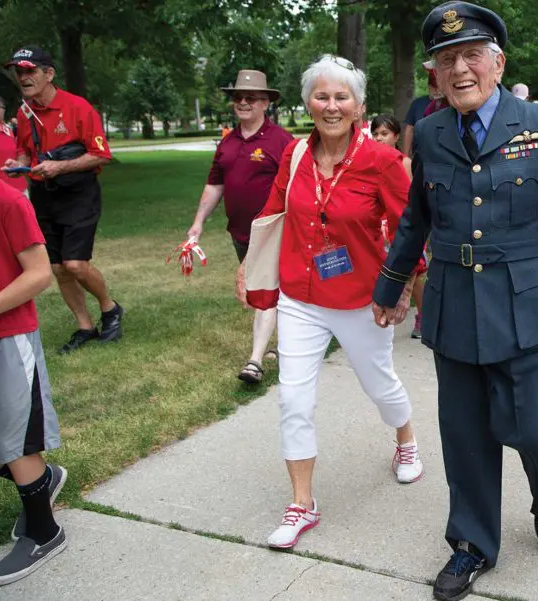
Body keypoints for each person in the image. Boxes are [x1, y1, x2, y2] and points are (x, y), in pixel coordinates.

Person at [371, 4, 538, 599]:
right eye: (446, 59)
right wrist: (390, 285)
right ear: (434, 73)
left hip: (528, 307)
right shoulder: (430, 133)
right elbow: (416, 220)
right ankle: (472, 543)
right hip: (456, 308)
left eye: (471, 56)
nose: (460, 69)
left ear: (498, 62)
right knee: (464, 436)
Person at [235, 54, 425, 550]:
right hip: (301, 296)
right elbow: (273, 211)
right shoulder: (296, 156)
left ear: (359, 106)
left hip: (362, 299)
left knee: (380, 385)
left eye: (342, 97)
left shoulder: (382, 161)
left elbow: (410, 232)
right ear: (307, 103)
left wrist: (402, 288)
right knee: (293, 398)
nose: (331, 105)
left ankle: (405, 439)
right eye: (322, 96)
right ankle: (302, 503)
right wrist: (250, 264)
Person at [2, 46, 123, 354]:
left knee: (76, 264)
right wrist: (17, 165)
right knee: (57, 268)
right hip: (44, 195)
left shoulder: (78, 107)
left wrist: (60, 166)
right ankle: (84, 326)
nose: (24, 78)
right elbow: (23, 151)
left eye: (30, 71)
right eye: (19, 72)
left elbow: (101, 155)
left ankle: (110, 309)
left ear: (49, 73)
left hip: (78, 192)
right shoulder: (24, 112)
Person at [0, 172, 68, 587]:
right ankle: (44, 478)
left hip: (5, 338)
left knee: (15, 438)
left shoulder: (6, 201)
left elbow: (38, 275)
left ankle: (44, 533)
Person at [187, 70, 293, 384]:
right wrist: (197, 224)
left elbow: (291, 189)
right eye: (238, 98)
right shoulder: (228, 143)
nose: (243, 103)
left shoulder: (281, 141)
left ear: (266, 103)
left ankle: (255, 361)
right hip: (240, 233)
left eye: (251, 98)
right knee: (271, 292)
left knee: (265, 290)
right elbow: (214, 185)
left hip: (274, 230)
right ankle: (285, 346)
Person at [371, 113, 427, 338]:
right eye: (375, 134)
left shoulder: (404, 163)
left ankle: (423, 316)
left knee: (417, 272)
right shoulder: (372, 160)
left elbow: (413, 199)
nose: (378, 138)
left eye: (384, 133)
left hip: (406, 225)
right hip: (382, 226)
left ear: (396, 135)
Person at [0, 92, 27, 193]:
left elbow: (19, 153)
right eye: (3, 107)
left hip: (19, 190)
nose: (4, 110)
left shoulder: (8, 130)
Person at [401, 66, 441, 157]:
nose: (437, 91)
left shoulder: (451, 104)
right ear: (429, 86)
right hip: (421, 152)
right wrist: (405, 156)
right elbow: (409, 130)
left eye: (440, 87)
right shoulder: (418, 104)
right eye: (434, 87)